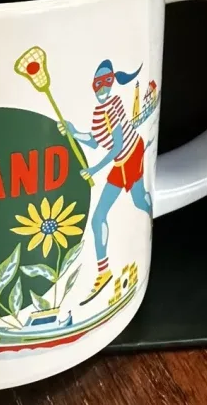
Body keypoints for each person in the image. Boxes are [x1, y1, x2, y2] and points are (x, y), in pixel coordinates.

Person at [58, 59, 153, 306]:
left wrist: (94, 169)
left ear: (112, 82)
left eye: (105, 82)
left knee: (138, 201)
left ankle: (151, 212)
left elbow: (118, 146)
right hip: (122, 162)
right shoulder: (99, 112)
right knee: (100, 216)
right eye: (97, 85)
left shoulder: (114, 106)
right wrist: (72, 131)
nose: (101, 89)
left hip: (130, 156)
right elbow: (94, 142)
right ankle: (104, 272)